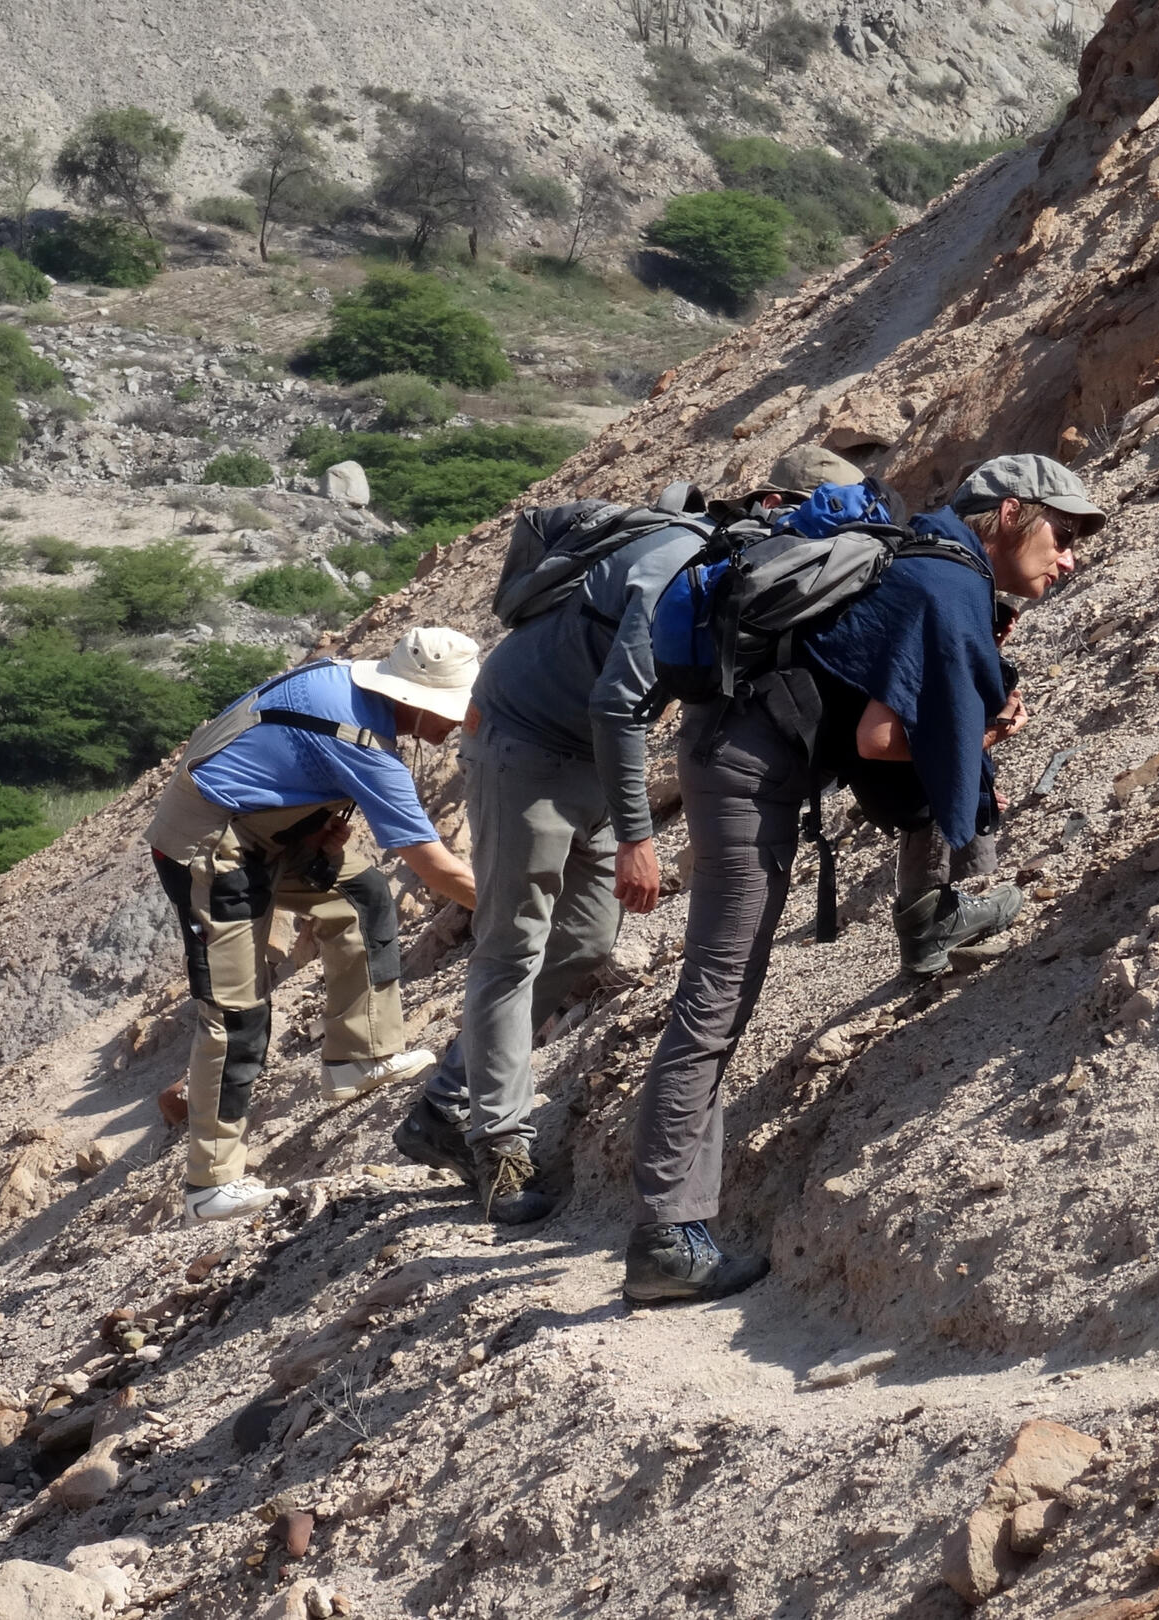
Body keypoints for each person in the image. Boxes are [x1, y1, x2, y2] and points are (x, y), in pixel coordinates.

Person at [624, 452, 1106, 1303]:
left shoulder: (933, 558)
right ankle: (666, 1235)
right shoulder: (947, 583)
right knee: (718, 994)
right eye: (1061, 536)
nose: (1069, 559)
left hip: (739, 747)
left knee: (721, 994)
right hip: (745, 771)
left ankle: (674, 1225)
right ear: (1009, 516)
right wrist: (985, 738)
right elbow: (883, 742)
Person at [391, 459, 825, 1223]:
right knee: (511, 946)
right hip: (523, 744)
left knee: (586, 940)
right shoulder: (680, 565)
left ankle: (446, 1104)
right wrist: (636, 836)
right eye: (805, 519)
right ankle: (497, 1148)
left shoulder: (735, 572)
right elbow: (620, 705)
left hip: (585, 752)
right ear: (767, 503)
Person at [146, 627, 481, 1223]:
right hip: (210, 844)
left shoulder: (340, 680)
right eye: (451, 710)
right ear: (416, 700)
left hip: (268, 828)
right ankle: (209, 1186)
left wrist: (309, 819)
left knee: (359, 897)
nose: (456, 724)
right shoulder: (363, 744)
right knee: (236, 1013)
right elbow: (434, 866)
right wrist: (516, 907)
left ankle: (359, 1057)